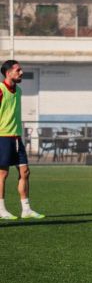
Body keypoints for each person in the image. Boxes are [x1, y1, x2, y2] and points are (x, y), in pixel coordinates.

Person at [0, 60, 43, 220]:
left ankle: (26, 209)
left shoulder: (18, 90)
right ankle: (1, 208)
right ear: (8, 72)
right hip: (2, 137)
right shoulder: (0, 90)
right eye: (18, 70)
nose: (21, 72)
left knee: (25, 172)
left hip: (16, 137)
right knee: (2, 174)